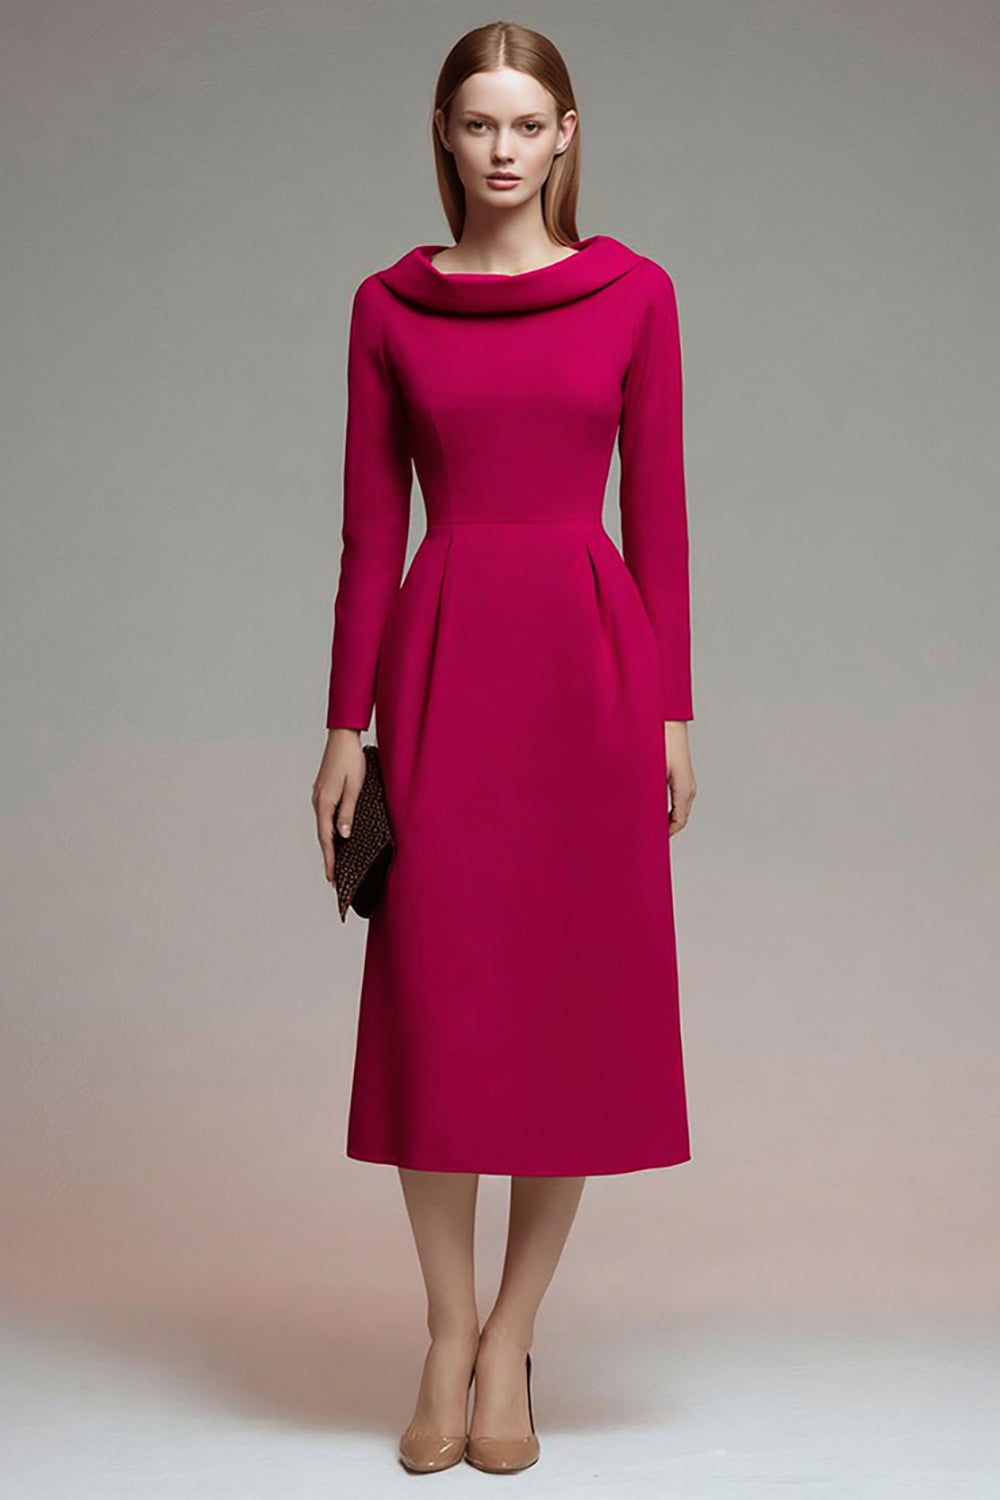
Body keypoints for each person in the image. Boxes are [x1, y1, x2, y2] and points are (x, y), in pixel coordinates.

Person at [311, 20, 697, 1476]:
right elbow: (369, 534)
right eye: (478, 123)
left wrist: (671, 711)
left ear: (568, 135)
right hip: (442, 663)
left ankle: (514, 1333)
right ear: (443, 133)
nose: (503, 150)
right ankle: (445, 1331)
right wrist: (343, 727)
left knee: (567, 1015)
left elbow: (659, 515)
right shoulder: (387, 307)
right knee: (436, 1003)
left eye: (528, 125)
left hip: (589, 673)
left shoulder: (636, 294)